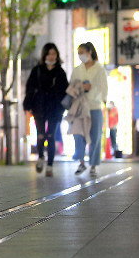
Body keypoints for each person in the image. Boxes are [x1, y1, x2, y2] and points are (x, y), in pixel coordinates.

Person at [23, 43, 68, 177]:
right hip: (39, 106)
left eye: (54, 53)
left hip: (54, 108)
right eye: (49, 53)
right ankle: (41, 157)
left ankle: (49, 165)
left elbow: (65, 90)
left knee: (51, 135)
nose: (51, 56)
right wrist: (28, 105)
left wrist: (62, 107)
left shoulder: (60, 72)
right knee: (41, 134)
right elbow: (30, 88)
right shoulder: (37, 70)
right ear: (44, 55)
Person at [69, 42, 108, 177]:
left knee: (95, 136)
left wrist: (104, 100)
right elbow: (71, 87)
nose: (81, 55)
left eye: (83, 52)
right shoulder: (77, 70)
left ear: (90, 52)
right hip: (80, 107)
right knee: (78, 134)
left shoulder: (99, 68)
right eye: (79, 53)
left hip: (95, 106)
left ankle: (93, 164)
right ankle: (81, 162)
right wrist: (81, 87)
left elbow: (104, 86)